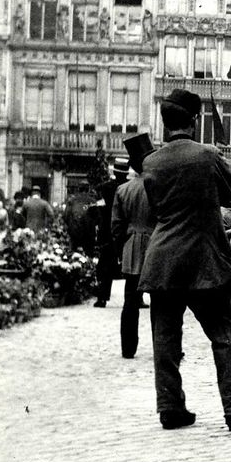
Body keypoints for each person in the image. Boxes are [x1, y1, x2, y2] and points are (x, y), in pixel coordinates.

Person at [139, 88, 231, 432]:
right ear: (194, 120)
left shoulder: (150, 162)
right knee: (224, 333)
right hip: (203, 259)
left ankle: (170, 408)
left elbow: (156, 209)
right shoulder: (208, 155)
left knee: (165, 339)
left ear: (165, 122)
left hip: (163, 259)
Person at [111, 134, 155, 359]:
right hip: (156, 245)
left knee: (130, 300)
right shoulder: (158, 187)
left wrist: (121, 250)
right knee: (160, 301)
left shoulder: (123, 190)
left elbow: (116, 226)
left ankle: (128, 348)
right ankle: (165, 347)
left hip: (131, 246)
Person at [93, 158, 129, 307]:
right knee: (130, 264)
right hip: (126, 230)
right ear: (126, 172)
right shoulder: (129, 187)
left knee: (105, 265)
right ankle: (135, 298)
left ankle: (102, 298)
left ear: (114, 171)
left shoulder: (104, 188)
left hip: (107, 231)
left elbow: (98, 209)